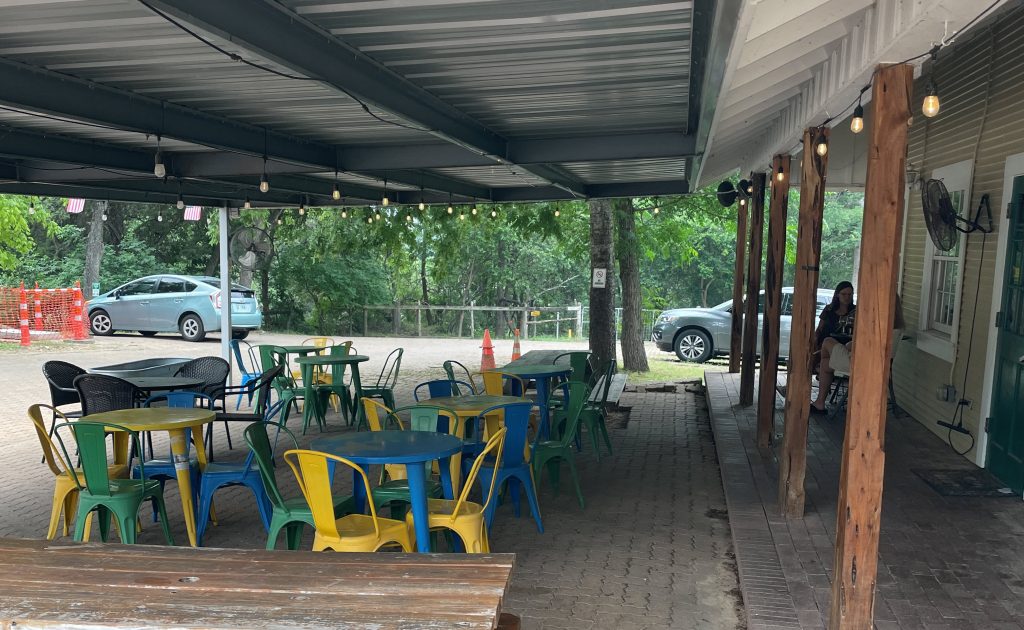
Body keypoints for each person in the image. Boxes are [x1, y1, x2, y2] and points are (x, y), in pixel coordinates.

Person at [810, 284, 905, 414]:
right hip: (869, 363)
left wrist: (850, 345)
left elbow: (860, 345)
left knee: (827, 343)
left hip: (859, 364)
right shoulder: (895, 328)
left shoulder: (876, 325)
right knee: (825, 363)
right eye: (844, 294)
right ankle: (819, 402)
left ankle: (818, 399)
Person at [810, 282, 855, 413]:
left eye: (849, 294)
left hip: (844, 346)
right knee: (819, 348)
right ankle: (802, 386)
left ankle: (816, 369)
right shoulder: (829, 310)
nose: (847, 297)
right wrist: (814, 338)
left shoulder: (855, 312)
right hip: (826, 345)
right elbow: (819, 329)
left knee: (825, 354)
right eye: (844, 294)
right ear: (837, 295)